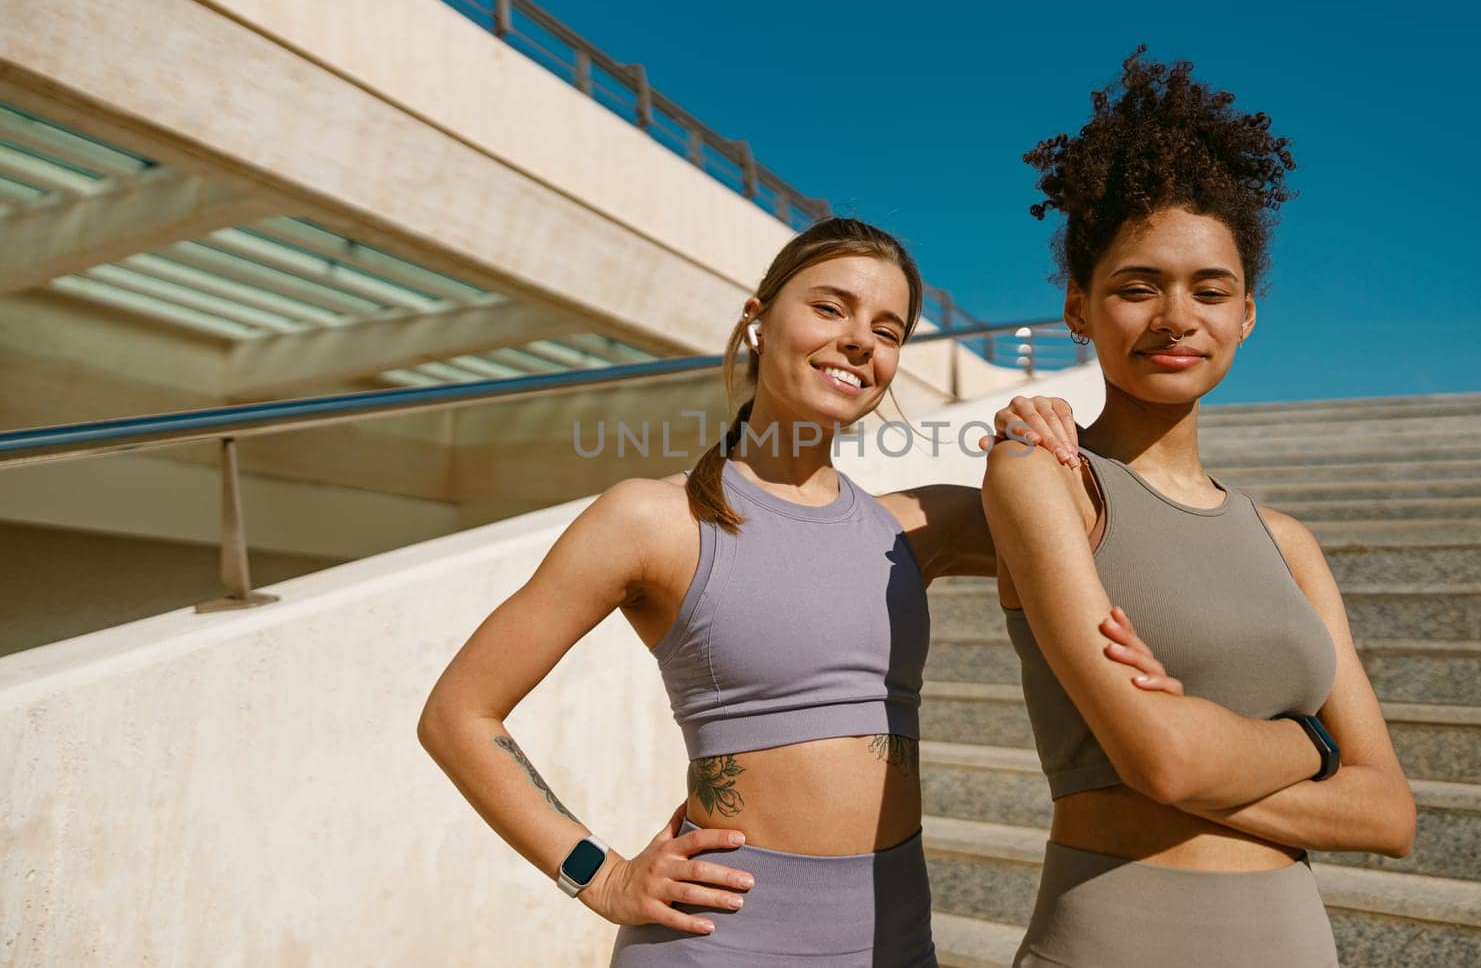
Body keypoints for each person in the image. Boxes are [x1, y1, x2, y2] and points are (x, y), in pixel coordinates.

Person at [416, 216, 1152, 965]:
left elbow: (1116, 542)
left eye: (888, 329)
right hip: (716, 945)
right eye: (830, 307)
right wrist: (599, 875)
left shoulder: (921, 524)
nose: (861, 339)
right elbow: (459, 714)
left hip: (896, 943)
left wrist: (1047, 435)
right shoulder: (654, 520)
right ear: (759, 321)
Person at [981, 47, 1417, 967]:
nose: (1177, 316)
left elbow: (1391, 812)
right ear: (1078, 306)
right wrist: (1312, 741)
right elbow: (1164, 760)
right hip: (1112, 938)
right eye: (1137, 286)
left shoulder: (1287, 540)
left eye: (1209, 289)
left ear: (1247, 313)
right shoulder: (1044, 474)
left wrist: (1213, 746)